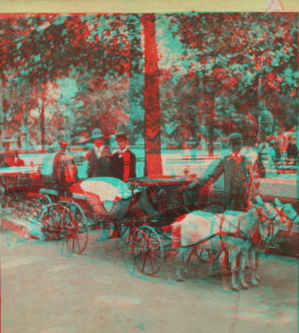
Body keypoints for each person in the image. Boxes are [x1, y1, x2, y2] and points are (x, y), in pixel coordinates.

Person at [187, 133, 250, 212]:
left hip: (226, 204)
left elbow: (206, 177)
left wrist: (190, 187)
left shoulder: (225, 162)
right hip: (233, 203)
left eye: (238, 143)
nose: (237, 146)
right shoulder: (243, 161)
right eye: (235, 144)